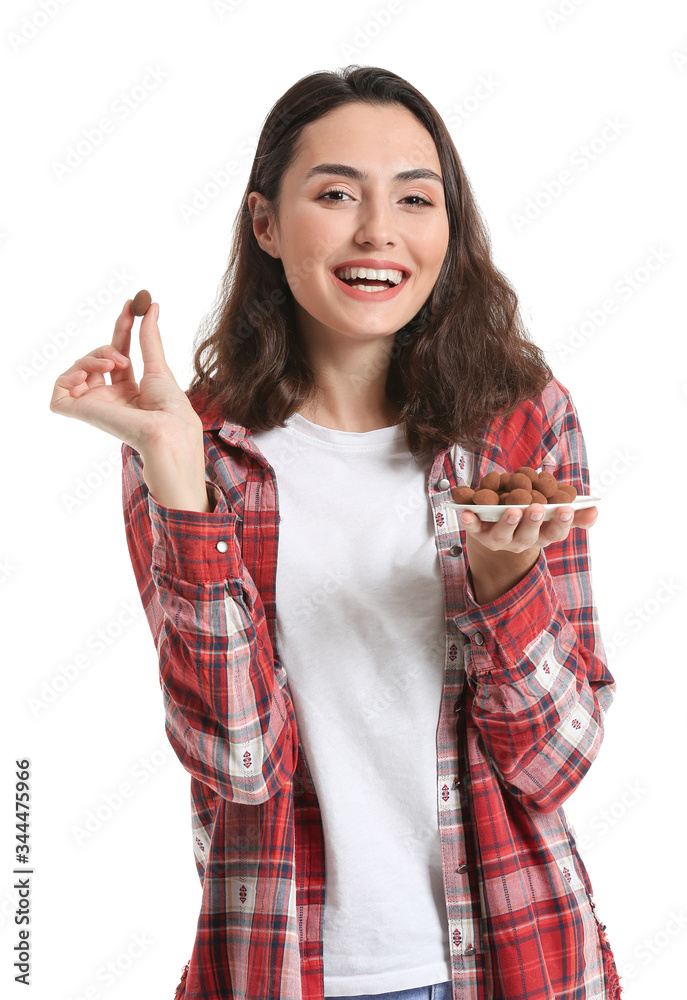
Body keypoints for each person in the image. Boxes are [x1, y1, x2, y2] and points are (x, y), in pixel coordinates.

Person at [49, 65, 623, 1000]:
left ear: (449, 227)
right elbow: (237, 758)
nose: (377, 232)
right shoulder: (201, 449)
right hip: (283, 970)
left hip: (521, 962)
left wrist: (502, 583)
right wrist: (170, 461)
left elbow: (555, 760)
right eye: (335, 194)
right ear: (265, 225)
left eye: (413, 197)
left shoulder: (521, 423)